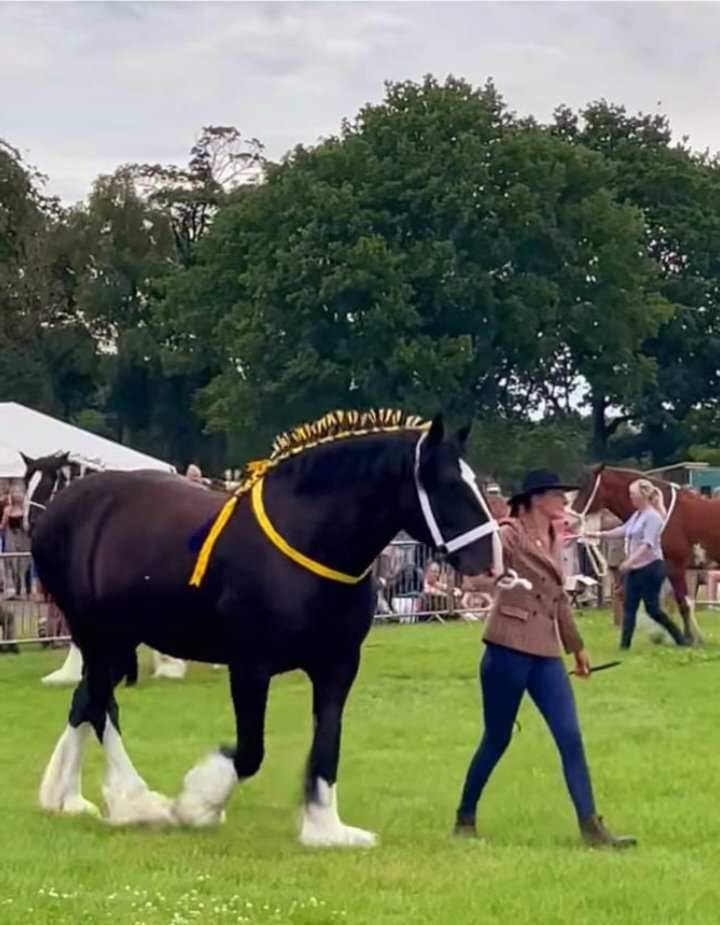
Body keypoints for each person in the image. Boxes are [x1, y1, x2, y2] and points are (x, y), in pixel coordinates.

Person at [454, 469, 636, 849]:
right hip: (507, 647)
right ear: (537, 498)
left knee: (570, 737)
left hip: (546, 652)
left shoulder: (555, 536)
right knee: (497, 738)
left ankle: (592, 827)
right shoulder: (509, 534)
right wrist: (501, 580)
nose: (565, 502)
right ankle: (465, 816)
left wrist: (577, 647)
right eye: (558, 495)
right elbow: (474, 578)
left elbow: (557, 597)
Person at [588, 478, 686, 649]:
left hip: (651, 568)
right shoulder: (638, 515)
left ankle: (680, 638)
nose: (630, 497)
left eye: (632, 494)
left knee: (652, 609)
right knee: (629, 608)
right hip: (635, 569)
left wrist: (628, 561)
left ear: (642, 496)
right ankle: (624, 646)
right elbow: (623, 530)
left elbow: (647, 544)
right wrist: (598, 534)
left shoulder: (653, 517)